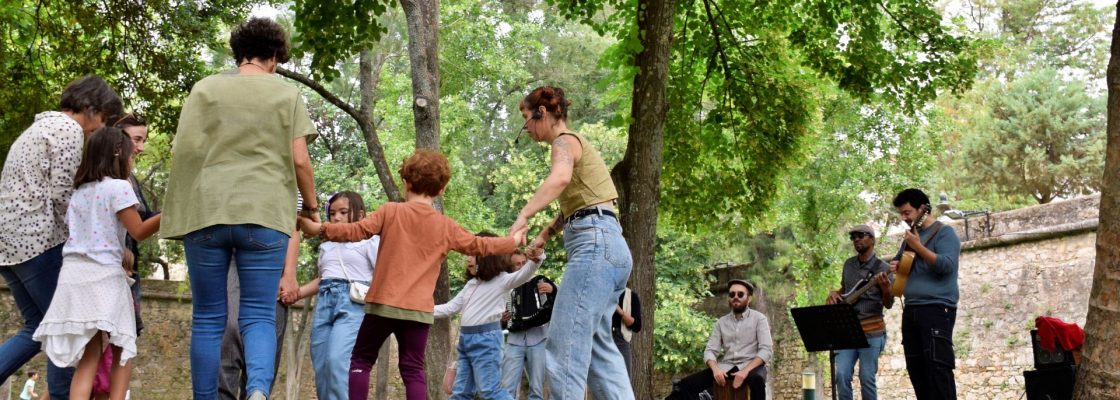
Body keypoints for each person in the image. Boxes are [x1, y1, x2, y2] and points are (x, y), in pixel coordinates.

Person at [161, 16, 320, 399]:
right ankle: (258, 392)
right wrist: (312, 208)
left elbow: (183, 153)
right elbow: (300, 160)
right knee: (259, 315)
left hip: (207, 212)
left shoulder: (204, 90)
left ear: (239, 53)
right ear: (275, 57)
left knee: (208, 318)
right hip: (265, 215)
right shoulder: (286, 95)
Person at [296, 149, 527, 400]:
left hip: (382, 305)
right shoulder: (445, 226)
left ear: (405, 183)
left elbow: (354, 231)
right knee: (413, 370)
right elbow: (480, 245)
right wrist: (512, 240)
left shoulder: (389, 212)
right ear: (441, 190)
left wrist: (320, 228)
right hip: (418, 312)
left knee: (361, 360)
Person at [0, 75, 123, 399]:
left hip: (9, 246)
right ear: (89, 107)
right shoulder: (68, 131)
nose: (99, 128)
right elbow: (63, 196)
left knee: (37, 329)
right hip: (36, 241)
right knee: (67, 330)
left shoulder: (39, 128)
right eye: (103, 119)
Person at [508, 86, 633, 400]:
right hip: (611, 247)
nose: (527, 128)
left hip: (594, 247)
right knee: (600, 351)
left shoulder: (564, 141)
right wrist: (544, 235)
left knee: (563, 344)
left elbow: (560, 179)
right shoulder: (577, 146)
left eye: (527, 118)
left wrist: (524, 215)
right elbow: (580, 202)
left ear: (544, 113)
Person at [31, 127, 162, 399]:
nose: (133, 159)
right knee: (122, 350)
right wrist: (170, 211)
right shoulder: (119, 187)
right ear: (117, 153)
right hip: (104, 277)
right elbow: (138, 231)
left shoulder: (81, 192)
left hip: (73, 278)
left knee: (89, 358)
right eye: (130, 155)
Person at [291, 191, 380, 400]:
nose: (336, 218)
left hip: (352, 304)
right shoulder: (327, 247)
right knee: (321, 363)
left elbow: (382, 274)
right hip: (324, 303)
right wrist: (296, 293)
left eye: (343, 212)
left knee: (337, 360)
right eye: (332, 214)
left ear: (360, 215)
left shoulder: (369, 242)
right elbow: (322, 279)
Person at [436, 233, 545, 400]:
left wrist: (537, 258)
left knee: (489, 391)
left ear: (486, 256)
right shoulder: (471, 284)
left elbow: (524, 274)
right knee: (460, 393)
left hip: (486, 341)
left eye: (473, 254)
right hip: (466, 340)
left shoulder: (502, 281)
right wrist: (419, 309)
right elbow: (450, 308)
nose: (468, 259)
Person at [888, 188, 961, 400]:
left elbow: (946, 266)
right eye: (901, 213)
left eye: (907, 212)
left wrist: (918, 246)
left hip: (937, 309)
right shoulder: (909, 239)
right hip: (911, 310)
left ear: (923, 209)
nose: (904, 218)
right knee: (917, 371)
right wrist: (896, 265)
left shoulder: (945, 233)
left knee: (938, 371)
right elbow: (903, 268)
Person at [218, 230, 301, 400]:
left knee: (227, 337)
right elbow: (294, 220)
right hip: (266, 249)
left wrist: (289, 273)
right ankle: (257, 391)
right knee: (245, 332)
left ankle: (255, 391)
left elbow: (293, 221)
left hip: (263, 251)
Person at [665, 279, 771, 400]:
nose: (736, 297)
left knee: (756, 380)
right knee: (684, 386)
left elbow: (766, 350)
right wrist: (715, 369)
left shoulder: (759, 319)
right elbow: (710, 351)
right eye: (732, 294)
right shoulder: (721, 323)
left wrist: (744, 372)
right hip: (726, 367)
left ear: (749, 298)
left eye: (740, 294)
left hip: (752, 367)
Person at [825, 225, 893, 400]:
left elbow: (889, 303)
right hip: (847, 331)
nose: (856, 239)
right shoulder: (848, 265)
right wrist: (834, 294)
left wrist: (885, 288)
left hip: (872, 331)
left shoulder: (884, 267)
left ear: (872, 239)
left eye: (861, 235)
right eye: (853, 237)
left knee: (867, 378)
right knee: (841, 375)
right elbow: (845, 290)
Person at [500, 275, 557, 400]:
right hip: (514, 340)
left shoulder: (540, 282)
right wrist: (503, 321)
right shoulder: (506, 287)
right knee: (506, 386)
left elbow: (560, 304)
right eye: (516, 265)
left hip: (539, 339)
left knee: (536, 388)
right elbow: (499, 322)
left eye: (522, 264)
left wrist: (553, 290)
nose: (519, 268)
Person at [612, 287, 642, 375]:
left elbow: (637, 326)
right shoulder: (603, 293)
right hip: (602, 338)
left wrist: (620, 312)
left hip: (621, 339)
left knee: (625, 380)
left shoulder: (631, 296)